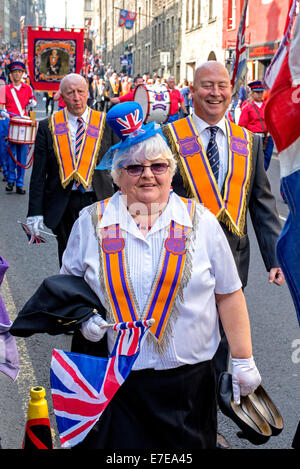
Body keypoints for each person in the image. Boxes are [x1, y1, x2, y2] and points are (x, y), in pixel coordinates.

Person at [58, 101, 262, 449]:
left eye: (158, 165)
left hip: (189, 385)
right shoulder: (90, 222)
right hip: (117, 385)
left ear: (172, 172)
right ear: (118, 177)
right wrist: (84, 319)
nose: (148, 174)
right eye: (134, 167)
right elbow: (67, 292)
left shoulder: (202, 222)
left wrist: (243, 360)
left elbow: (229, 294)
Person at [163, 61, 285, 447]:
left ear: (231, 90)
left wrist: (276, 258)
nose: (215, 93)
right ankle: (184, 421)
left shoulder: (249, 142)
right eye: (206, 86)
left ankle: (205, 426)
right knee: (182, 347)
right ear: (192, 91)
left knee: (219, 348)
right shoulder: (167, 138)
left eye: (222, 86)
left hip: (232, 264)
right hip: (178, 262)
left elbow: (262, 206)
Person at [26, 73, 117, 266]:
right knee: (68, 259)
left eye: (80, 92)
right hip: (63, 203)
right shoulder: (47, 126)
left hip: (98, 200)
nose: (76, 97)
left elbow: (120, 165)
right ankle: (69, 296)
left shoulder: (106, 123)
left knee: (99, 259)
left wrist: (126, 202)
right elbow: (39, 174)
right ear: (62, 95)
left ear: (88, 93)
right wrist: (34, 211)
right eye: (70, 93)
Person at [4, 61, 37, 194]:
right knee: (11, 154)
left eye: (19, 72)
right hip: (11, 123)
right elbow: (2, 105)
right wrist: (4, 111)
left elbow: (33, 101)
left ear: (22, 74)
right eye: (14, 72)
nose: (17, 74)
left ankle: (20, 183)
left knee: (22, 155)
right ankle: (11, 180)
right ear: (11, 75)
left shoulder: (28, 88)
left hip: (23, 124)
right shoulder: (6, 89)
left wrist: (33, 102)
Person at [238, 80, 274, 171]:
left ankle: (261, 179)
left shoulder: (268, 106)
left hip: (267, 139)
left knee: (265, 162)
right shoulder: (247, 108)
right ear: (252, 93)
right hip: (254, 138)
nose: (260, 94)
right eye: (257, 92)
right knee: (254, 164)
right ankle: (256, 181)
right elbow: (242, 126)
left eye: (261, 92)